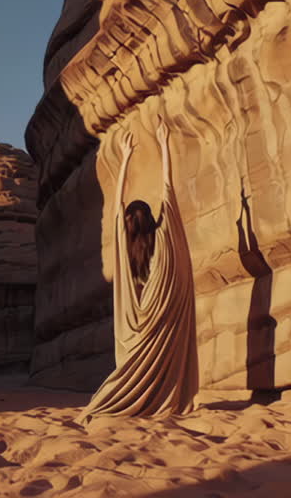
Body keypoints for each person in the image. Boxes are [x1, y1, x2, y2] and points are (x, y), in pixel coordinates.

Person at [78, 115, 198, 422]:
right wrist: (164, 144)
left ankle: (118, 402)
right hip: (159, 313)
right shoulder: (163, 239)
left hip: (135, 320)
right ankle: (158, 402)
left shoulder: (124, 248)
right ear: (151, 220)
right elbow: (169, 192)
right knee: (159, 362)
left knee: (132, 369)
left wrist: (125, 159)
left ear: (129, 224)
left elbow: (117, 209)